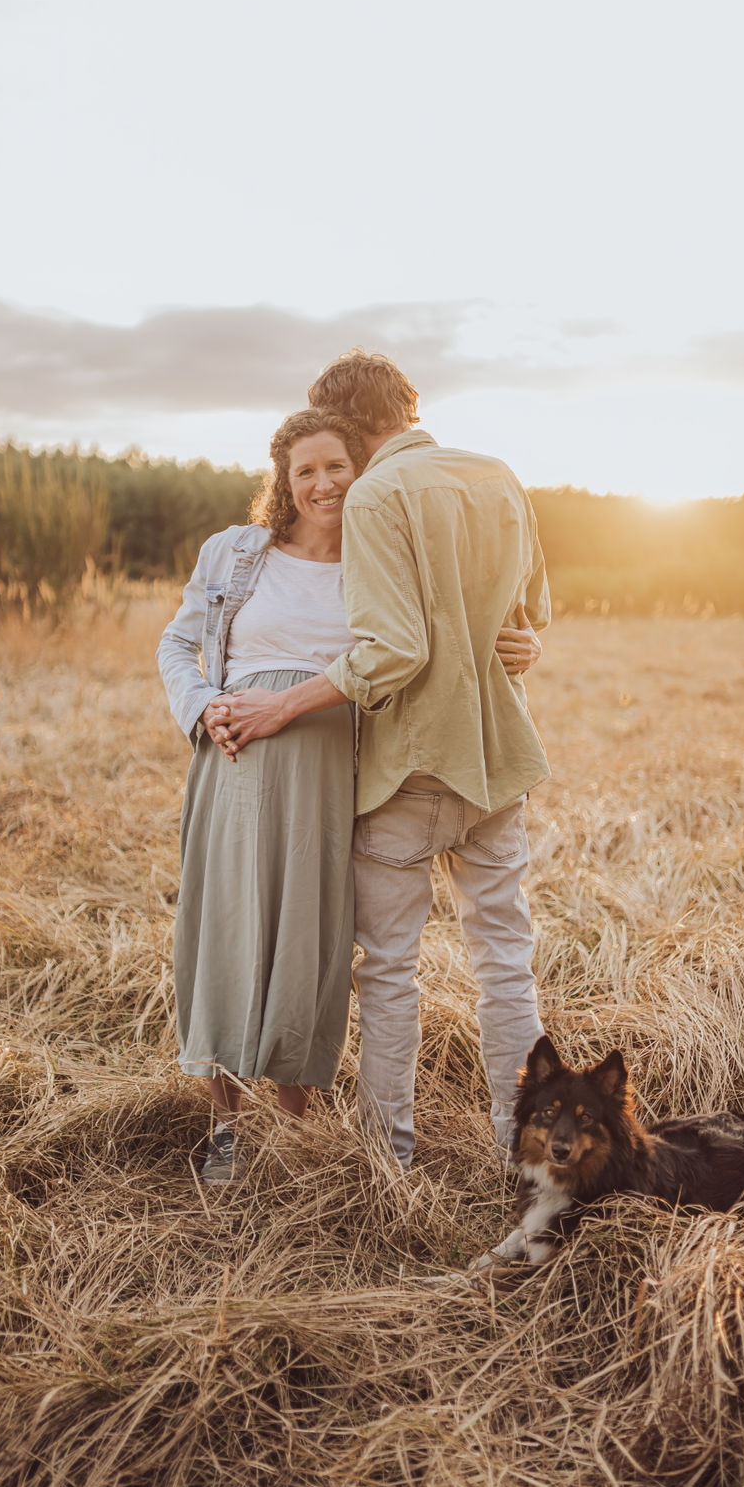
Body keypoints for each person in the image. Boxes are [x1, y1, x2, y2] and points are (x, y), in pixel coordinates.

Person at [159, 404, 540, 1183]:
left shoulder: (379, 552)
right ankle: (226, 1130)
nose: (323, 483)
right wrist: (200, 706)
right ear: (283, 481)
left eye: (338, 466)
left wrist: (525, 639)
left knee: (310, 950)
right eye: (305, 471)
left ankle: (294, 1136)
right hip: (236, 760)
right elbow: (178, 640)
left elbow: (438, 634)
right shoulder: (235, 555)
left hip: (336, 772)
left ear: (360, 471)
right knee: (230, 937)